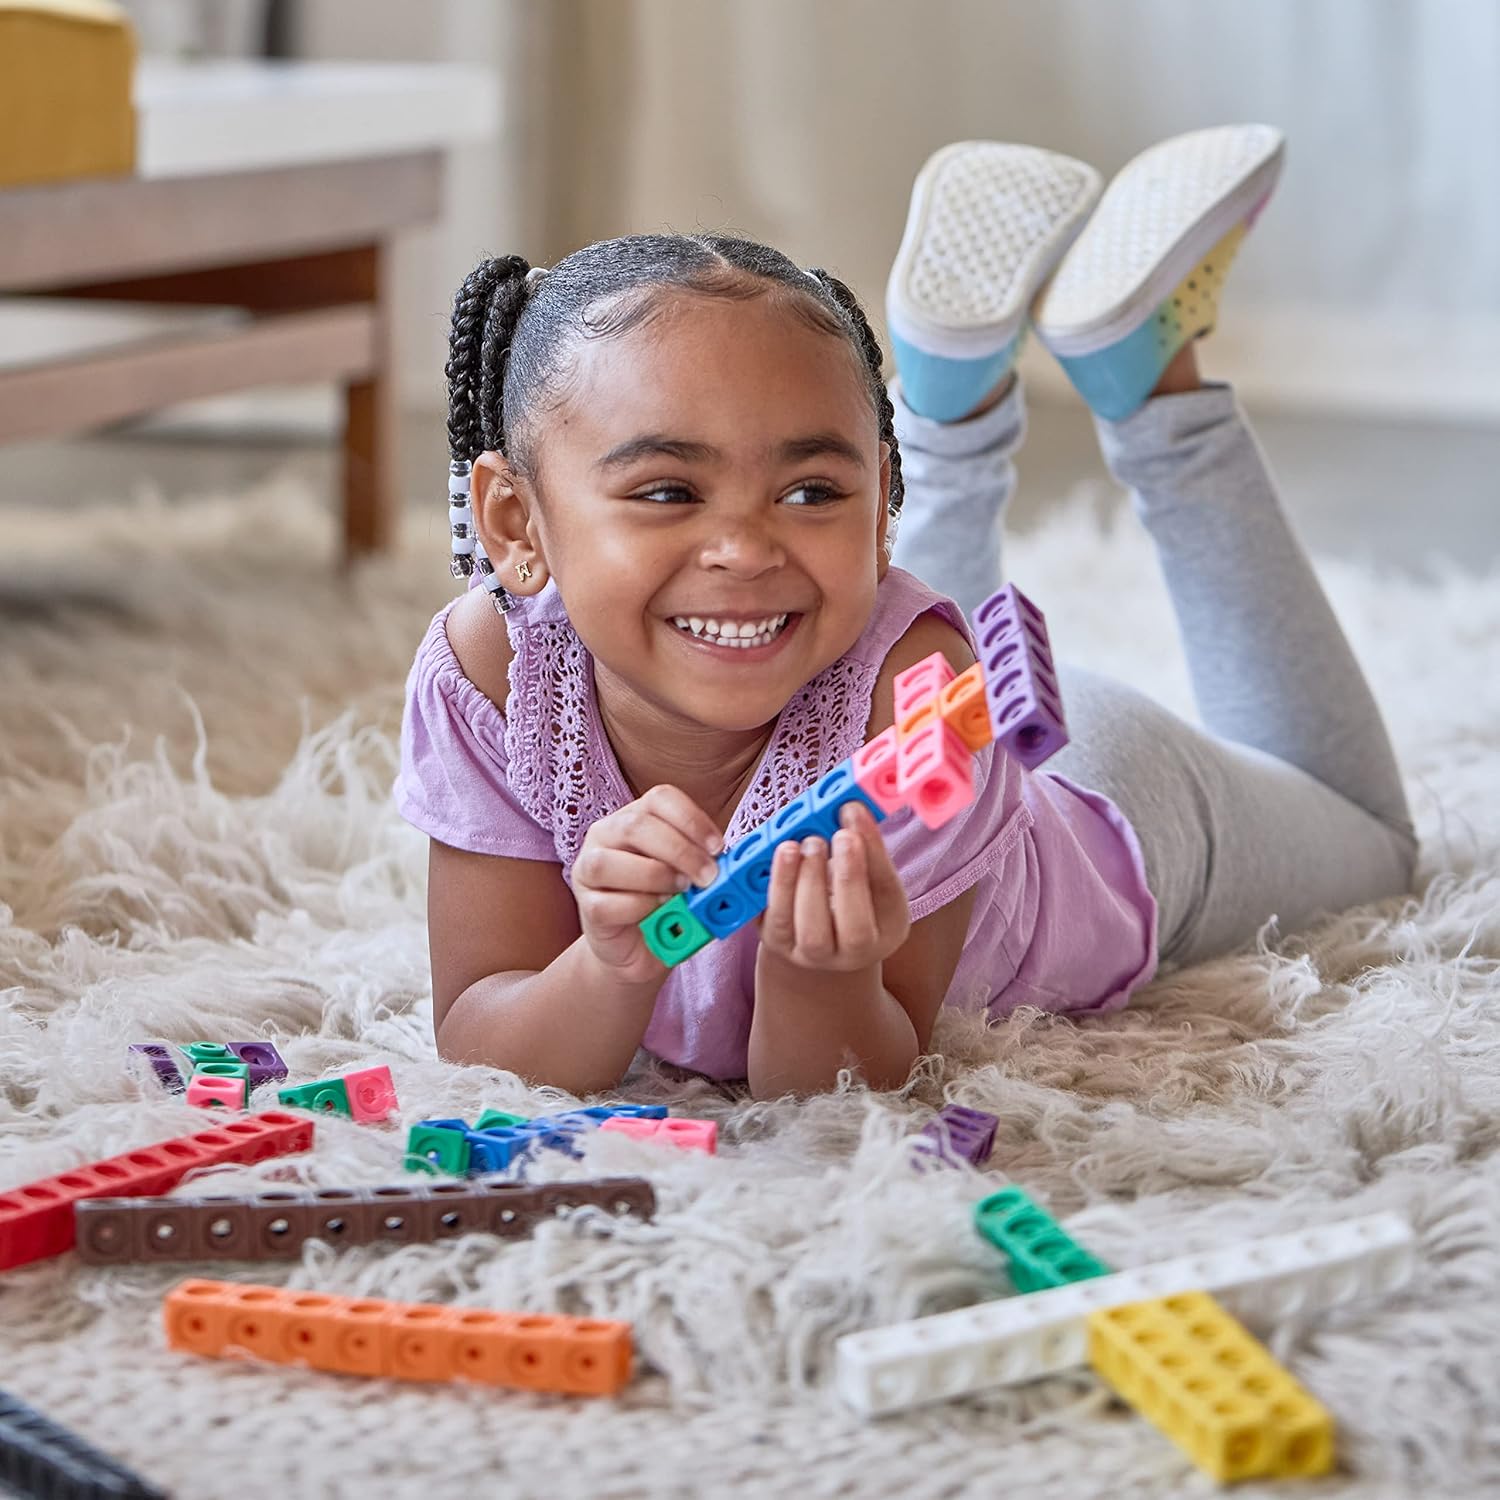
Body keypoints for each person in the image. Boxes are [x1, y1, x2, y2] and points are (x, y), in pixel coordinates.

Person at [396, 124, 1416, 1100]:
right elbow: (487, 1036)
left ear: (883, 504)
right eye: (667, 493)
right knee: (852, 618)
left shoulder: (913, 695)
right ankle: (951, 396)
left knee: (1373, 840)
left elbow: (839, 1089)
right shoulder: (490, 677)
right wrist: (608, 968)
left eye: (813, 491)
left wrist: (820, 974)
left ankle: (1157, 396)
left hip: (1117, 818)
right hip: (919, 700)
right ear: (515, 519)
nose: (745, 550)